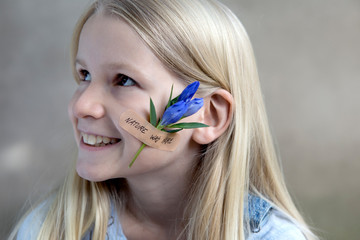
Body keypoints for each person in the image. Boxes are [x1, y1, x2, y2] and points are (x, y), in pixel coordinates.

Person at [9, 0, 318, 239]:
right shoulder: (47, 229)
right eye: (84, 75)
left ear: (209, 115)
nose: (83, 105)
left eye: (124, 80)